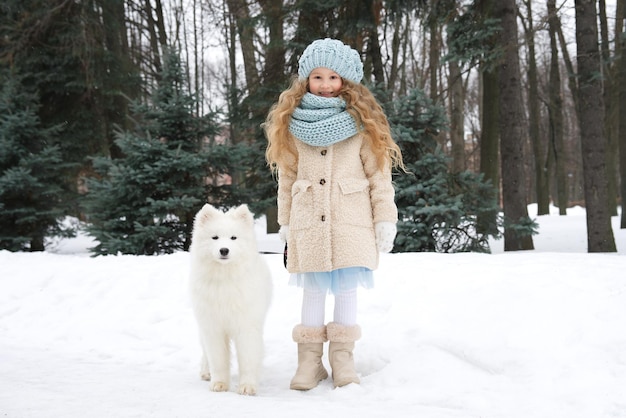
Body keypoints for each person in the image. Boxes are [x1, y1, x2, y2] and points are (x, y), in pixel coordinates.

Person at [264, 38, 404, 390]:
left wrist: (385, 218)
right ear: (305, 81)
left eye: (333, 77)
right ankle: (309, 363)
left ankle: (343, 361)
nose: (325, 85)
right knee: (312, 290)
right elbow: (288, 178)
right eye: (317, 77)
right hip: (309, 221)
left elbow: (378, 176)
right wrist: (285, 221)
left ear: (347, 81)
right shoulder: (293, 125)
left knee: (345, 290)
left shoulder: (362, 123)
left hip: (351, 221)